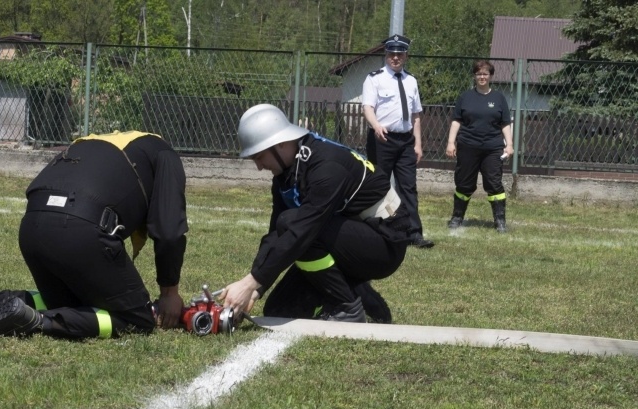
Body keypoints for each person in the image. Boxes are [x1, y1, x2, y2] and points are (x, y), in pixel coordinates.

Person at [0, 131, 188, 339]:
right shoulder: (164, 153)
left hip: (33, 224)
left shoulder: (99, 141)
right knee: (138, 320)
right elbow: (169, 230)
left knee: (73, 305)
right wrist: (169, 292)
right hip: (82, 228)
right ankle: (37, 321)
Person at [219, 104, 409, 324]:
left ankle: (348, 307)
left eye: (259, 157)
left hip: (384, 244)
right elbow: (275, 235)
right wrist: (255, 288)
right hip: (347, 237)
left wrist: (250, 283)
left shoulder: (326, 166)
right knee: (278, 310)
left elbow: (303, 230)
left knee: (296, 225)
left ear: (279, 144)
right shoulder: (288, 172)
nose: (259, 166)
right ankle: (364, 300)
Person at [362, 34, 434, 249]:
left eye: (399, 54)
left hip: (405, 141)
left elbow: (417, 116)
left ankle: (413, 233)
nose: (395, 58)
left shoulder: (411, 81)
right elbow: (367, 108)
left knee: (408, 187)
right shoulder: (374, 78)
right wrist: (376, 125)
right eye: (392, 54)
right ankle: (377, 229)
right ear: (386, 55)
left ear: (406, 55)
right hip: (382, 139)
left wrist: (418, 144)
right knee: (379, 185)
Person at [445, 59, 514, 233]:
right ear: (474, 76)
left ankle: (500, 221)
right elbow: (456, 121)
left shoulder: (498, 98)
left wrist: (510, 144)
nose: (482, 77)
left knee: (494, 184)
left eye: (485, 74)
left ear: (490, 76)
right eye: (478, 73)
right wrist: (451, 142)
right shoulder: (465, 97)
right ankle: (457, 217)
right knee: (464, 183)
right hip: (468, 146)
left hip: (492, 148)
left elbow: (505, 123)